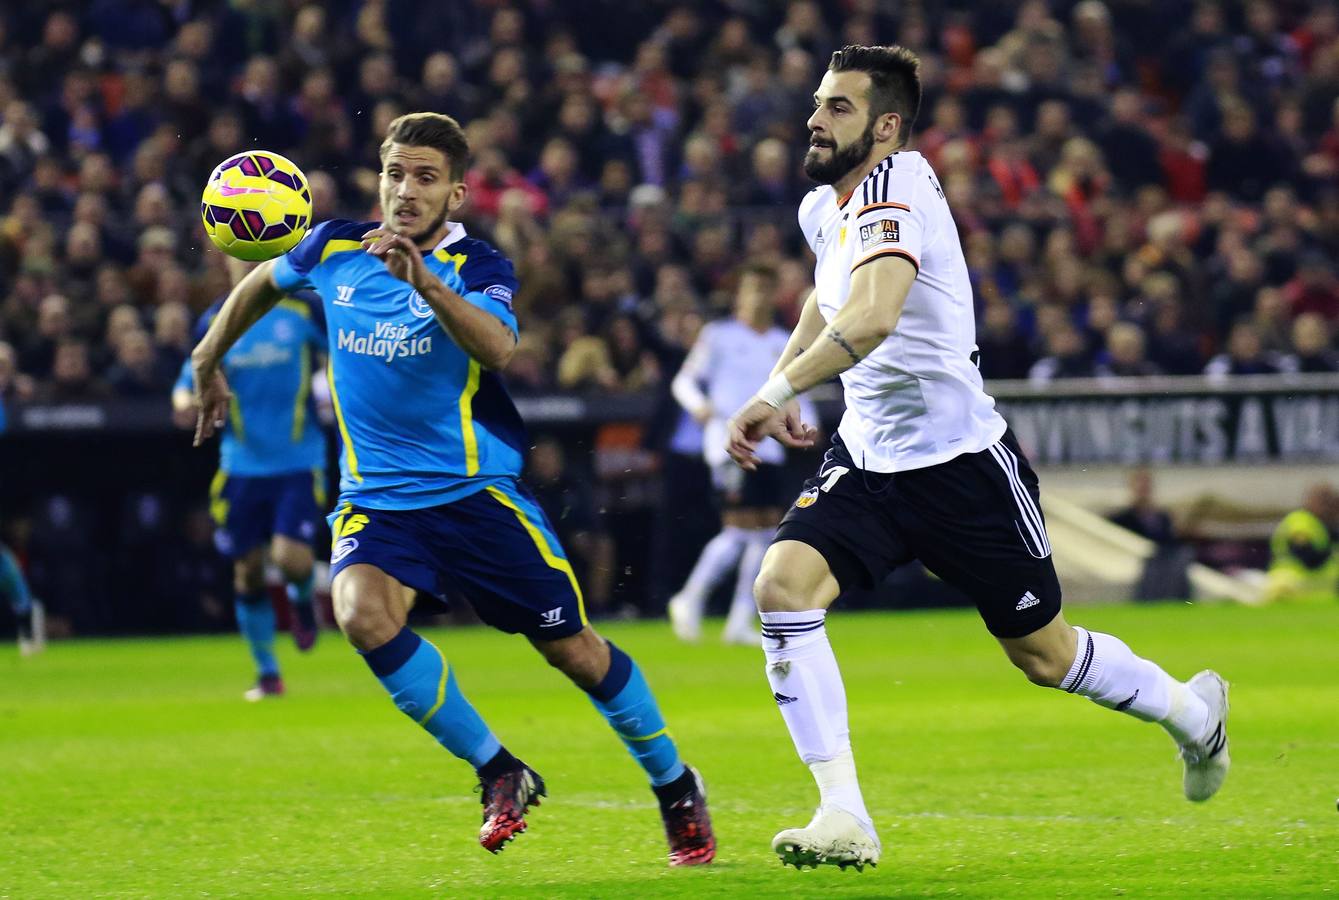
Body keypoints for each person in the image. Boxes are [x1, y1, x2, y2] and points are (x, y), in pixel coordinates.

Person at [724, 46, 1230, 872]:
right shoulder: (828, 206)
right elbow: (828, 296)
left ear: (885, 126)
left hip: (960, 466)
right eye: (818, 103)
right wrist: (783, 382)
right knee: (781, 589)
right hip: (867, 460)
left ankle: (1191, 715)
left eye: (838, 108)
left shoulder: (898, 190)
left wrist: (776, 395)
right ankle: (842, 813)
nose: (813, 119)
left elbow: (878, 312)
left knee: (1044, 655)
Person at [188, 113, 714, 865]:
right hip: (375, 500)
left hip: (475, 496)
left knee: (574, 654)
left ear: (456, 194)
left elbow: (500, 346)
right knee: (360, 614)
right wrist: (208, 359)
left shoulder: (481, 264)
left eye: (425, 177)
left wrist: (425, 282)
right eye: (396, 173)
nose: (406, 190)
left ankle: (673, 785)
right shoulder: (333, 245)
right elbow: (260, 286)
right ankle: (499, 769)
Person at [172, 256, 328, 701]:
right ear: (224, 257)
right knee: (248, 574)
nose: (249, 256)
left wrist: (331, 388)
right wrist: (185, 400)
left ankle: (302, 598)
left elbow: (342, 354)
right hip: (241, 465)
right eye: (240, 248)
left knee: (292, 558)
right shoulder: (216, 319)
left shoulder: (302, 310)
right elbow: (188, 377)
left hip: (298, 459)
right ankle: (268, 674)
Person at [668, 263, 815, 645]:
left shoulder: (784, 339)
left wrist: (809, 422)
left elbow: (797, 388)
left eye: (766, 290)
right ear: (740, 295)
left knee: (765, 529)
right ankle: (690, 598)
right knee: (741, 525)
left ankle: (738, 618)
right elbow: (684, 380)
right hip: (729, 440)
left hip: (774, 447)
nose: (758, 298)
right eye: (752, 290)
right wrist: (699, 406)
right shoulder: (718, 335)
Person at [1264, 483, 1338, 604]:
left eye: (1331, 501)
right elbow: (1307, 557)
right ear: (1310, 501)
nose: (1328, 506)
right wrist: (1332, 551)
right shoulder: (1300, 521)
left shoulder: (1324, 526)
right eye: (1324, 501)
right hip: (1290, 585)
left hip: (1318, 593)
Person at [2, 528, 43, 656]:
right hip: (12, 591)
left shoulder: (5, 558)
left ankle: (29, 641)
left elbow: (11, 576)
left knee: (29, 610)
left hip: (17, 592)